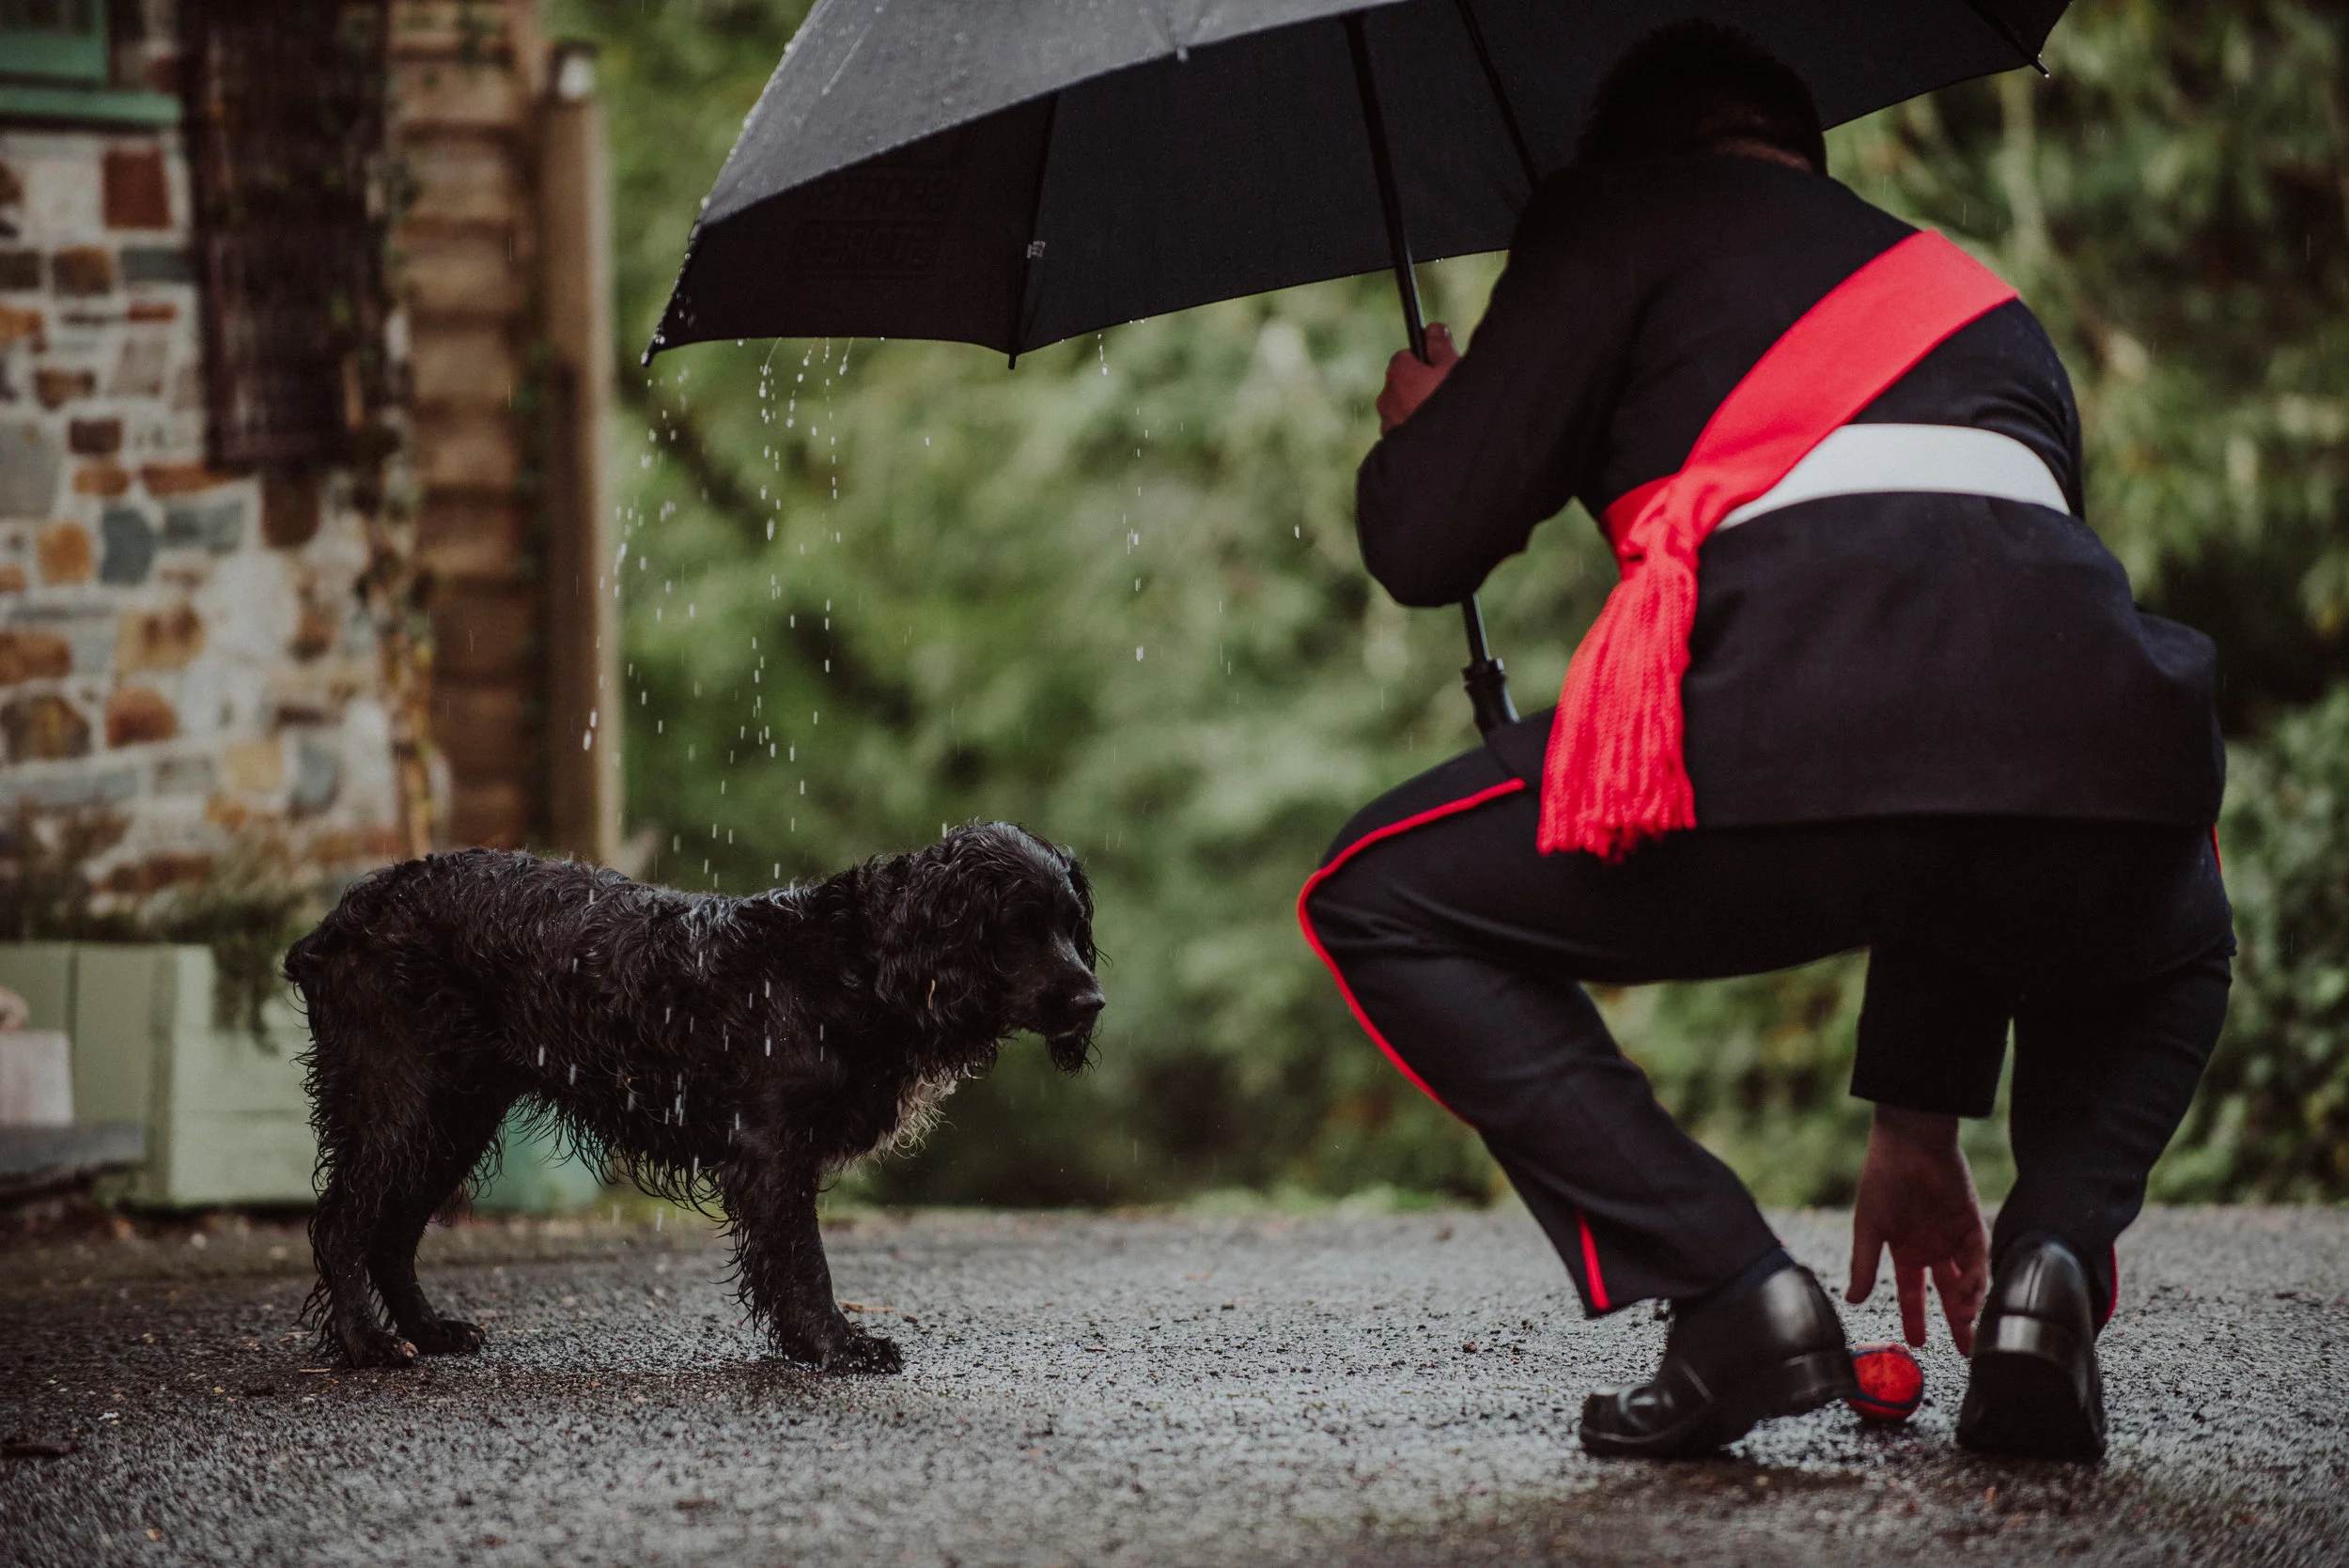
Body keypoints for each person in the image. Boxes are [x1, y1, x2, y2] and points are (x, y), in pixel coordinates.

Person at [1299, 22, 2231, 1461]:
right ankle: (2051, 1270)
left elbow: (1427, 542)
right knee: (2174, 937)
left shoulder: (1610, 218)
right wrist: (1919, 1125)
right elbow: (1966, 723)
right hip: (2103, 766)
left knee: (1373, 894)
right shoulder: (1975, 298)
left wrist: (1427, 426)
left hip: (1781, 745)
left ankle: (1729, 1291)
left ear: (1628, 158)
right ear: (1805, 157)